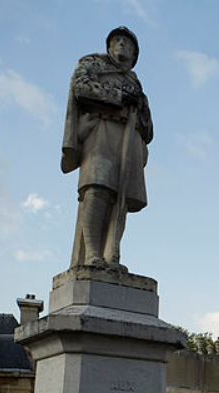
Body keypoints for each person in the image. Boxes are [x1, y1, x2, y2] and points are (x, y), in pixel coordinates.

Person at [62, 26, 153, 270]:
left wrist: (140, 109)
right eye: (118, 40)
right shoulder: (93, 65)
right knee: (97, 189)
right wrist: (119, 97)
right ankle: (93, 254)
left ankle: (112, 254)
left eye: (128, 42)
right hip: (100, 130)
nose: (122, 44)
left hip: (128, 138)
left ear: (135, 55)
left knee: (119, 199)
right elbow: (80, 88)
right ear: (109, 46)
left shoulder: (136, 84)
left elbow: (149, 128)